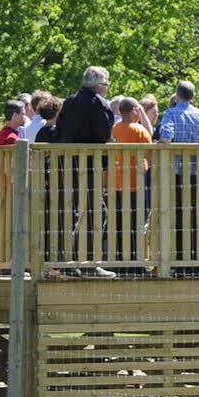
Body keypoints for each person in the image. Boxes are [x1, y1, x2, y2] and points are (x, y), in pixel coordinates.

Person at [54, 67, 117, 278]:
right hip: (90, 166)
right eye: (106, 84)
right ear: (98, 85)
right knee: (96, 212)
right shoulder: (99, 103)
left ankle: (66, 262)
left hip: (67, 164)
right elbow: (103, 133)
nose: (107, 89)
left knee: (67, 213)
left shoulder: (69, 102)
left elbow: (60, 130)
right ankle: (89, 261)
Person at [155, 81, 199, 269]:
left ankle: (182, 259)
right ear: (193, 96)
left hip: (178, 173)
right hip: (198, 173)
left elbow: (166, 136)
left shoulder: (171, 113)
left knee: (180, 215)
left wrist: (162, 142)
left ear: (177, 94)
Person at [110, 97, 153, 265]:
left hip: (118, 184)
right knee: (137, 225)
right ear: (135, 111)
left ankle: (121, 261)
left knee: (121, 226)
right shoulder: (140, 130)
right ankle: (136, 263)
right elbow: (150, 152)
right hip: (137, 184)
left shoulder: (115, 129)